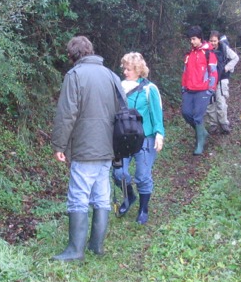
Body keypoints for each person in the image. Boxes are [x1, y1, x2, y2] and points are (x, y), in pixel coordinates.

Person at [51, 35, 123, 261]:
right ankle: (96, 246)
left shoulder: (74, 75)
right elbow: (123, 111)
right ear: (90, 51)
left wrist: (59, 144)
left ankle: (75, 251)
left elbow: (67, 114)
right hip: (108, 146)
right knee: (102, 195)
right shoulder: (111, 76)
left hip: (85, 146)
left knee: (78, 196)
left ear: (73, 55)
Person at [113, 52, 165, 225]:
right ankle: (129, 197)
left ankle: (143, 209)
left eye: (128, 69)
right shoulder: (119, 87)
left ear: (138, 70)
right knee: (119, 173)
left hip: (145, 138)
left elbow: (156, 113)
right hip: (124, 139)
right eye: (124, 69)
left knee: (142, 176)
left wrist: (159, 134)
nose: (125, 72)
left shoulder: (150, 89)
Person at [180, 25, 218, 155]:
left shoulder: (208, 53)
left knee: (197, 116)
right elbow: (185, 72)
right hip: (189, 89)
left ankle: (200, 143)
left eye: (194, 39)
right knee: (185, 113)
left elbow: (213, 72)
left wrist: (211, 89)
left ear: (200, 38)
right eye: (190, 39)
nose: (192, 42)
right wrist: (183, 87)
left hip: (203, 90)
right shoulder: (189, 54)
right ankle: (202, 132)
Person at [206, 30, 240, 134]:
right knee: (210, 103)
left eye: (215, 41)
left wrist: (227, 68)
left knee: (221, 102)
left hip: (222, 80)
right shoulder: (206, 51)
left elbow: (235, 58)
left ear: (218, 40)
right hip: (209, 80)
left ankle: (224, 124)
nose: (213, 43)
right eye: (211, 41)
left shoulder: (224, 49)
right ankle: (213, 125)